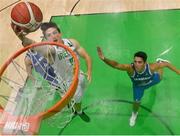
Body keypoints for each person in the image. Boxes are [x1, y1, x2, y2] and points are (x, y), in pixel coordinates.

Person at [12, 22, 92, 115]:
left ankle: (71, 102)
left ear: (60, 33)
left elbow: (86, 56)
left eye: (54, 33)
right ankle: (78, 111)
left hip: (80, 75)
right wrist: (22, 37)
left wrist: (89, 70)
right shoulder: (50, 52)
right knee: (77, 101)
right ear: (46, 39)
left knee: (79, 93)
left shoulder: (72, 42)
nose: (53, 36)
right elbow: (34, 45)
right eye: (49, 35)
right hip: (68, 84)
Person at [97, 46, 180, 127]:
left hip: (150, 80)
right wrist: (104, 58)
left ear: (145, 62)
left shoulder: (151, 67)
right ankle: (134, 114)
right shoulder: (130, 68)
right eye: (135, 61)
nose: (136, 64)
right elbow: (116, 65)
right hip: (139, 87)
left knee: (160, 77)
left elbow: (167, 64)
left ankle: (159, 61)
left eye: (139, 62)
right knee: (137, 101)